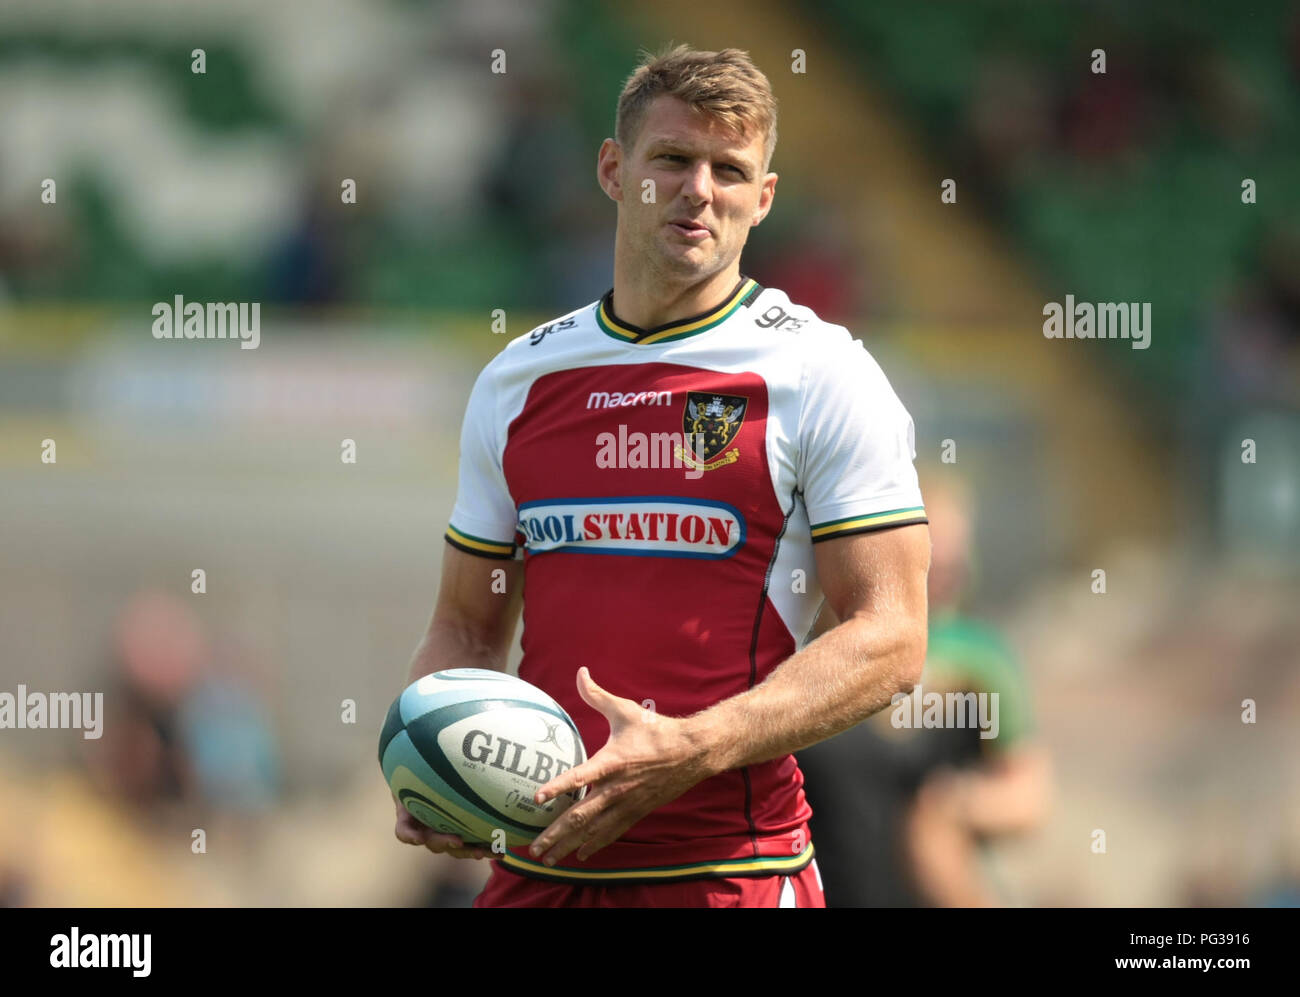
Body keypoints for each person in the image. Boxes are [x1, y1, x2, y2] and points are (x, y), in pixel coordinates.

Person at [392, 44, 931, 908]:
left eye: (730, 169)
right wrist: (426, 754)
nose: (700, 190)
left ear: (765, 197)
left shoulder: (824, 375)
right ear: (614, 169)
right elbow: (465, 622)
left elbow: (893, 637)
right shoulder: (516, 383)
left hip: (730, 873)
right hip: (539, 870)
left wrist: (694, 746)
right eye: (673, 159)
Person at [798, 475, 1050, 906]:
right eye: (935, 547)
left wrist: (957, 805)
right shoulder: (817, 643)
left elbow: (1029, 795)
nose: (949, 563)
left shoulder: (978, 656)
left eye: (958, 549)